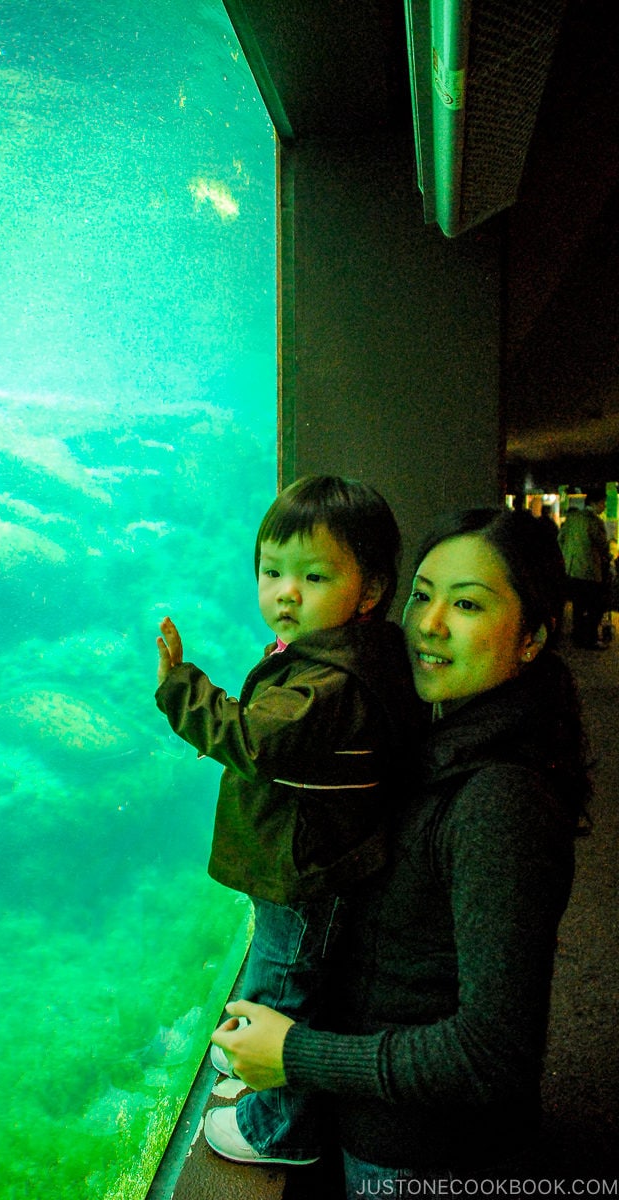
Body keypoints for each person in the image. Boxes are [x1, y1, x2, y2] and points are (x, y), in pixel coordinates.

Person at [209, 507, 591, 1189]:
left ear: (531, 636)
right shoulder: (439, 737)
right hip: (377, 1126)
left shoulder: (500, 802)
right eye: (422, 594)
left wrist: (295, 1055)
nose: (429, 624)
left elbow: (490, 1055)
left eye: (467, 604)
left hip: (425, 1159)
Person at [155, 475, 422, 1166]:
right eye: (272, 571)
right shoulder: (351, 649)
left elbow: (250, 740)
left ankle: (282, 1129)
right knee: (281, 971)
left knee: (284, 985)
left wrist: (183, 686)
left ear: (368, 591)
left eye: (312, 575)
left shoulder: (326, 681)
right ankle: (252, 1065)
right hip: (315, 854)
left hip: (305, 867)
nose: (285, 591)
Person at [558, 488, 611, 649]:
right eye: (603, 503)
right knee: (595, 606)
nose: (604, 507)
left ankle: (578, 635)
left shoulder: (572, 518)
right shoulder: (594, 521)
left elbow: (560, 539)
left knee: (578, 606)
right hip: (588, 570)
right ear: (595, 503)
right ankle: (590, 638)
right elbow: (602, 546)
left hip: (571, 569)